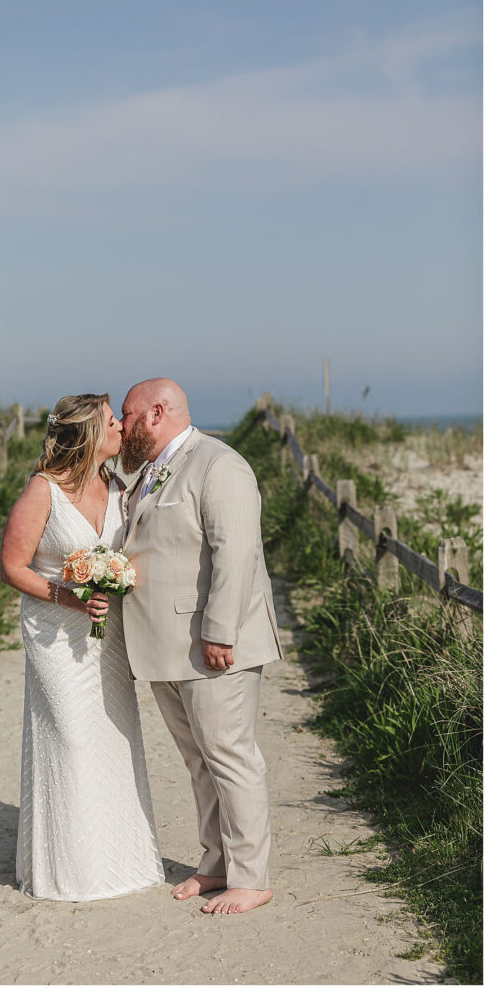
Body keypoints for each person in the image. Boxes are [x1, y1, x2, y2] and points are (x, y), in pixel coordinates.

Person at [119, 378, 283, 915]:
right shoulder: (148, 471)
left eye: (128, 415)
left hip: (214, 645)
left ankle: (252, 878)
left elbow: (234, 553)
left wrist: (220, 631)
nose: (121, 426)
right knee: (199, 761)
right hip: (166, 647)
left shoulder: (219, 465)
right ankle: (216, 865)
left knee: (231, 757)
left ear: (156, 413)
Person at [0, 393, 164, 901]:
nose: (122, 429)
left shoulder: (116, 484)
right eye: (115, 422)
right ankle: (70, 871)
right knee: (69, 739)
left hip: (106, 636)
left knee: (113, 738)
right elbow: (13, 566)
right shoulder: (42, 490)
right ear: (91, 433)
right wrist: (68, 596)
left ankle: (125, 862)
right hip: (56, 634)